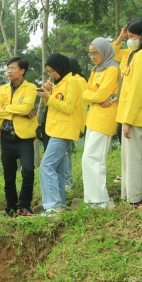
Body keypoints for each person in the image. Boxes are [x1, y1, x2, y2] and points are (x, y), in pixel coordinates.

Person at [115, 18, 142, 206]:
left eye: (132, 36)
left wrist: (128, 119)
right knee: (128, 157)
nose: (129, 40)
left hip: (136, 115)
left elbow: (137, 90)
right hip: (135, 114)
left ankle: (134, 198)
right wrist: (120, 37)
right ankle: (128, 196)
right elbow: (113, 52)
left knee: (132, 159)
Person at [36, 53, 83, 215]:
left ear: (62, 67)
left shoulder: (72, 82)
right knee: (58, 169)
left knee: (46, 166)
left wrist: (49, 96)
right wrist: (47, 94)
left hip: (64, 131)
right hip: (55, 129)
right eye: (49, 71)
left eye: (53, 70)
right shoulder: (60, 83)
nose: (52, 74)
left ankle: (52, 205)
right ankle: (60, 204)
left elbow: (68, 108)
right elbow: (54, 105)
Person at [0, 57, 38, 217]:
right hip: (6, 138)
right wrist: (17, 111)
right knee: (9, 175)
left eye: (12, 68)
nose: (9, 71)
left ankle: (25, 206)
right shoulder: (2, 89)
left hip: (24, 138)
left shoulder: (30, 88)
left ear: (22, 70)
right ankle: (11, 207)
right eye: (8, 69)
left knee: (28, 171)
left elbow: (26, 108)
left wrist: (8, 108)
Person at [81, 38, 120, 208]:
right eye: (90, 53)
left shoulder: (112, 69)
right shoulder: (95, 70)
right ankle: (92, 199)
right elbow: (86, 93)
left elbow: (100, 95)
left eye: (95, 53)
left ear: (105, 51)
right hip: (93, 117)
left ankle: (101, 199)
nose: (92, 56)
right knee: (87, 158)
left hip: (105, 118)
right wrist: (95, 97)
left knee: (94, 158)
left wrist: (95, 97)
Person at [62, 56, 87, 192]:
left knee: (65, 152)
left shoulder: (77, 81)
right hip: (72, 121)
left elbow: (81, 105)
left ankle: (67, 181)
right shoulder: (76, 80)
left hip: (74, 121)